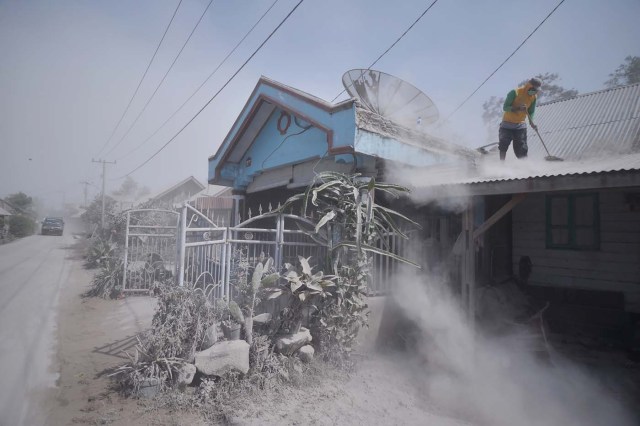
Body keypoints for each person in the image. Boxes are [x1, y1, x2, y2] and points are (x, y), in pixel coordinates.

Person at [498, 77, 542, 160]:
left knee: (522, 148)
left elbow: (531, 111)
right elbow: (505, 107)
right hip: (507, 124)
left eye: (536, 90)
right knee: (503, 144)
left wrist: (531, 122)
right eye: (534, 89)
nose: (535, 92)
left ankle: (524, 166)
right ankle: (501, 165)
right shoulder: (515, 92)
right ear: (529, 86)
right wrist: (518, 108)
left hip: (520, 125)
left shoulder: (533, 97)